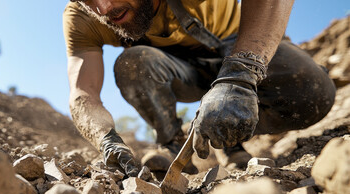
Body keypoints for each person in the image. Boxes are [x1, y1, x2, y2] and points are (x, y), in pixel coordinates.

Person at [63, 0, 336, 176]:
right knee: (133, 63)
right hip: (179, 68)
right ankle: (172, 144)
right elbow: (83, 93)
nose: (105, 7)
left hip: (241, 42)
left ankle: (229, 139)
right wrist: (106, 140)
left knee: (313, 92)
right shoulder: (82, 17)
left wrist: (241, 74)